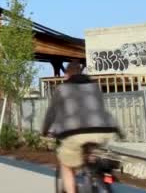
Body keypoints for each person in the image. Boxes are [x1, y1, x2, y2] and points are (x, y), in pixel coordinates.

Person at [42, 61, 120, 193]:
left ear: (67, 75)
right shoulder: (94, 86)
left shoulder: (62, 89)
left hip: (75, 133)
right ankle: (94, 172)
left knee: (66, 166)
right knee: (89, 155)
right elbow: (101, 110)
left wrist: (44, 130)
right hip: (102, 131)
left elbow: (51, 114)